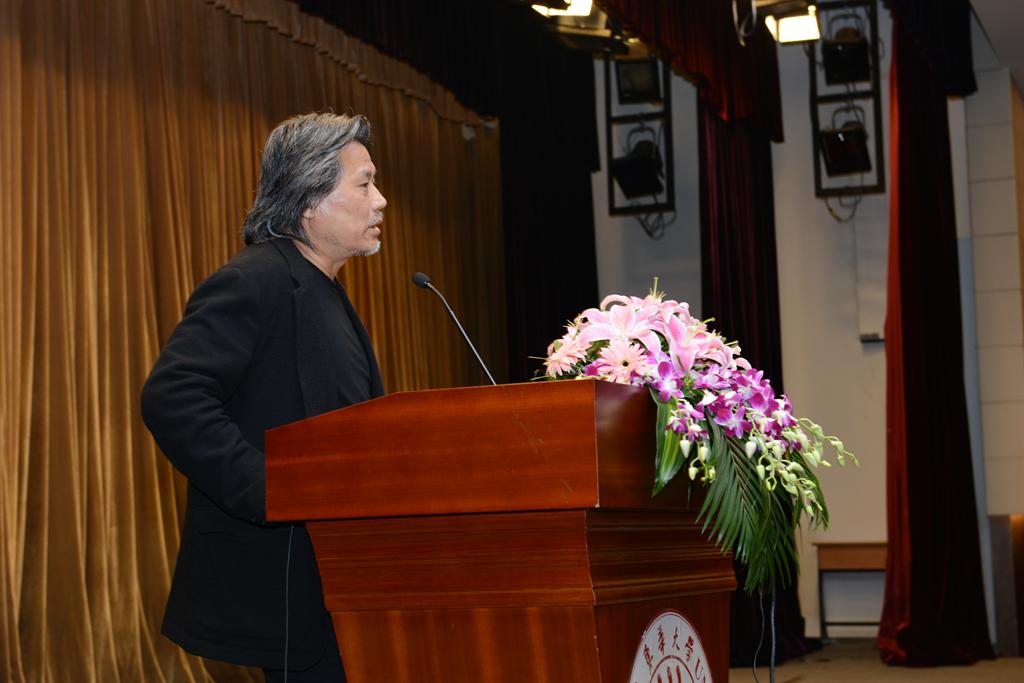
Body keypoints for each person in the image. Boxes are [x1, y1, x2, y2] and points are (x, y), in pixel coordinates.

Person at [141, 112, 388, 682]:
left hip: (342, 582)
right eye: (365, 183)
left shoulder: (327, 291)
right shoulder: (255, 280)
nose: (380, 201)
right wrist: (273, 491)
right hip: (284, 585)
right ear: (310, 200)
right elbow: (172, 397)